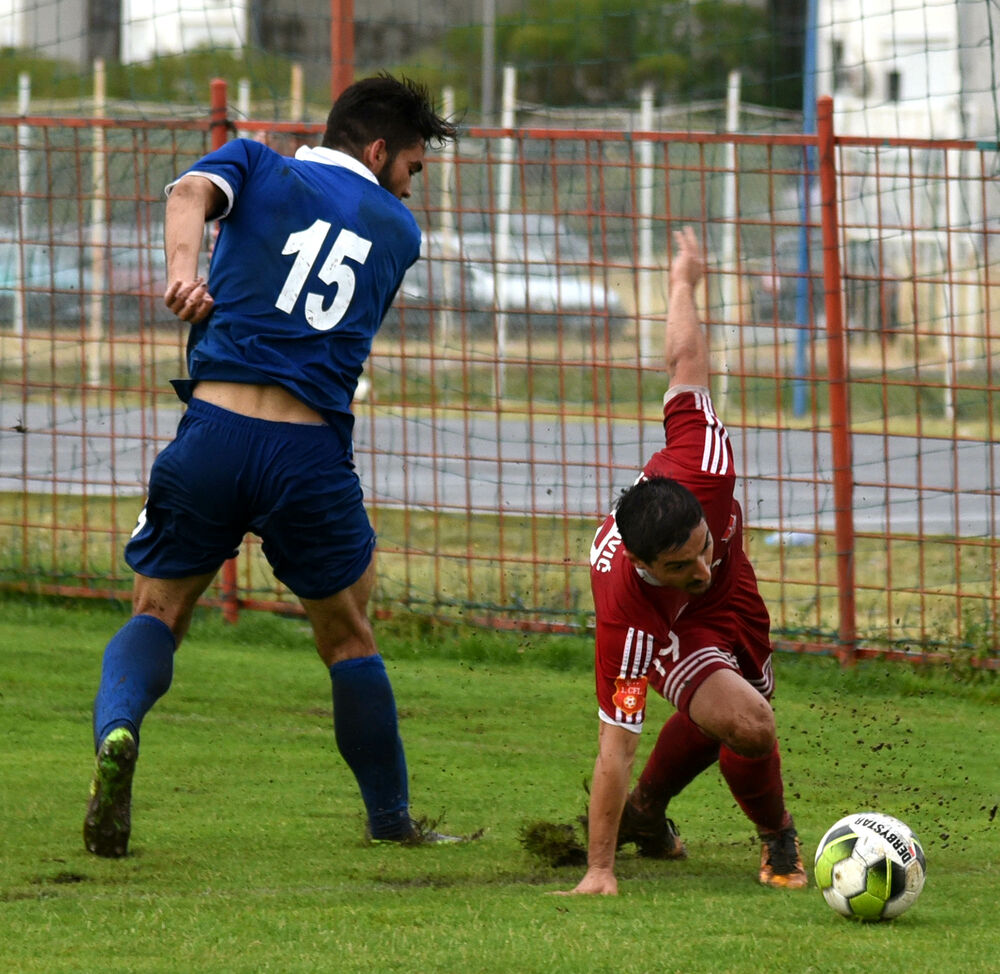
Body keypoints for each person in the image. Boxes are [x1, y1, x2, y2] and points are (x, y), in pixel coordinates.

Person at [83, 73, 459, 857]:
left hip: (213, 430)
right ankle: (391, 820)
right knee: (350, 636)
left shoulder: (254, 161)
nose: (413, 190)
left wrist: (184, 275)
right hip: (308, 451)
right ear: (381, 150)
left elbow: (187, 194)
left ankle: (118, 733)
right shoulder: (398, 232)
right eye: (414, 169)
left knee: (156, 611)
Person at [563, 226, 807, 895]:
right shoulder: (630, 615)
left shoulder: (705, 463)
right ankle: (777, 835)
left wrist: (683, 282)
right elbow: (616, 742)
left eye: (702, 545)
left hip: (738, 593)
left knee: (744, 700)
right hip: (669, 626)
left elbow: (684, 360)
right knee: (749, 722)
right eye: (679, 566)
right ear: (646, 565)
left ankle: (647, 812)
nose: (697, 567)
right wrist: (599, 870)